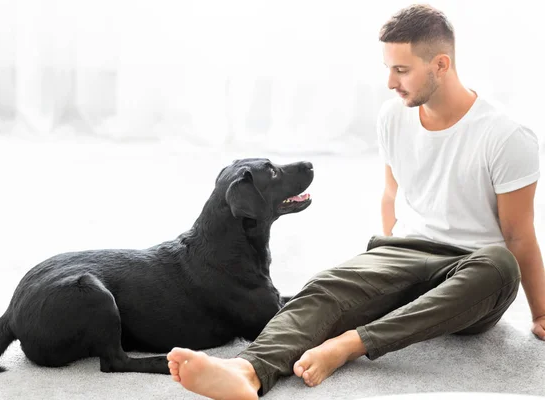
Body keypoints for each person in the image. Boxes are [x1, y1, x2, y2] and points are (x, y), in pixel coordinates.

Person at [166, 4, 545, 399]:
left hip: (471, 271)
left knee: (500, 266)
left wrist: (540, 311)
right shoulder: (393, 117)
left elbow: (518, 237)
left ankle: (349, 344)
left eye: (401, 70)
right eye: (387, 68)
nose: (389, 82)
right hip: (406, 253)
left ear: (441, 64)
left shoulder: (506, 137)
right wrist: (383, 269)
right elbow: (391, 196)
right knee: (325, 287)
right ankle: (247, 370)